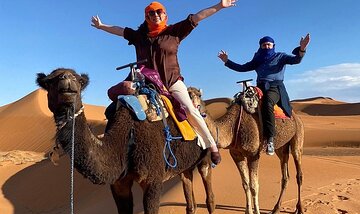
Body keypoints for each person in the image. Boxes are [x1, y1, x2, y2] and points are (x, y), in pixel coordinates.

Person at [91, 0, 236, 165]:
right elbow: (120, 30)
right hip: (145, 82)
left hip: (171, 81)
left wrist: (219, 6)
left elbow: (197, 17)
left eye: (159, 12)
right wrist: (101, 26)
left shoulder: (174, 32)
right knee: (120, 102)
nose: (155, 15)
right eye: (151, 13)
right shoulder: (139, 36)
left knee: (189, 109)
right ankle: (114, 140)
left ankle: (212, 146)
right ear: (146, 17)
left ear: (165, 14)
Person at [218, 34, 310, 155]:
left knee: (267, 103)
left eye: (269, 45)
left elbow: (296, 60)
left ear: (273, 46)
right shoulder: (258, 60)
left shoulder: (280, 56)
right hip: (259, 87)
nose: (266, 47)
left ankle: (270, 139)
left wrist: (302, 48)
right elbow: (242, 68)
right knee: (240, 103)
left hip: (275, 88)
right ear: (261, 46)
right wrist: (226, 61)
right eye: (264, 45)